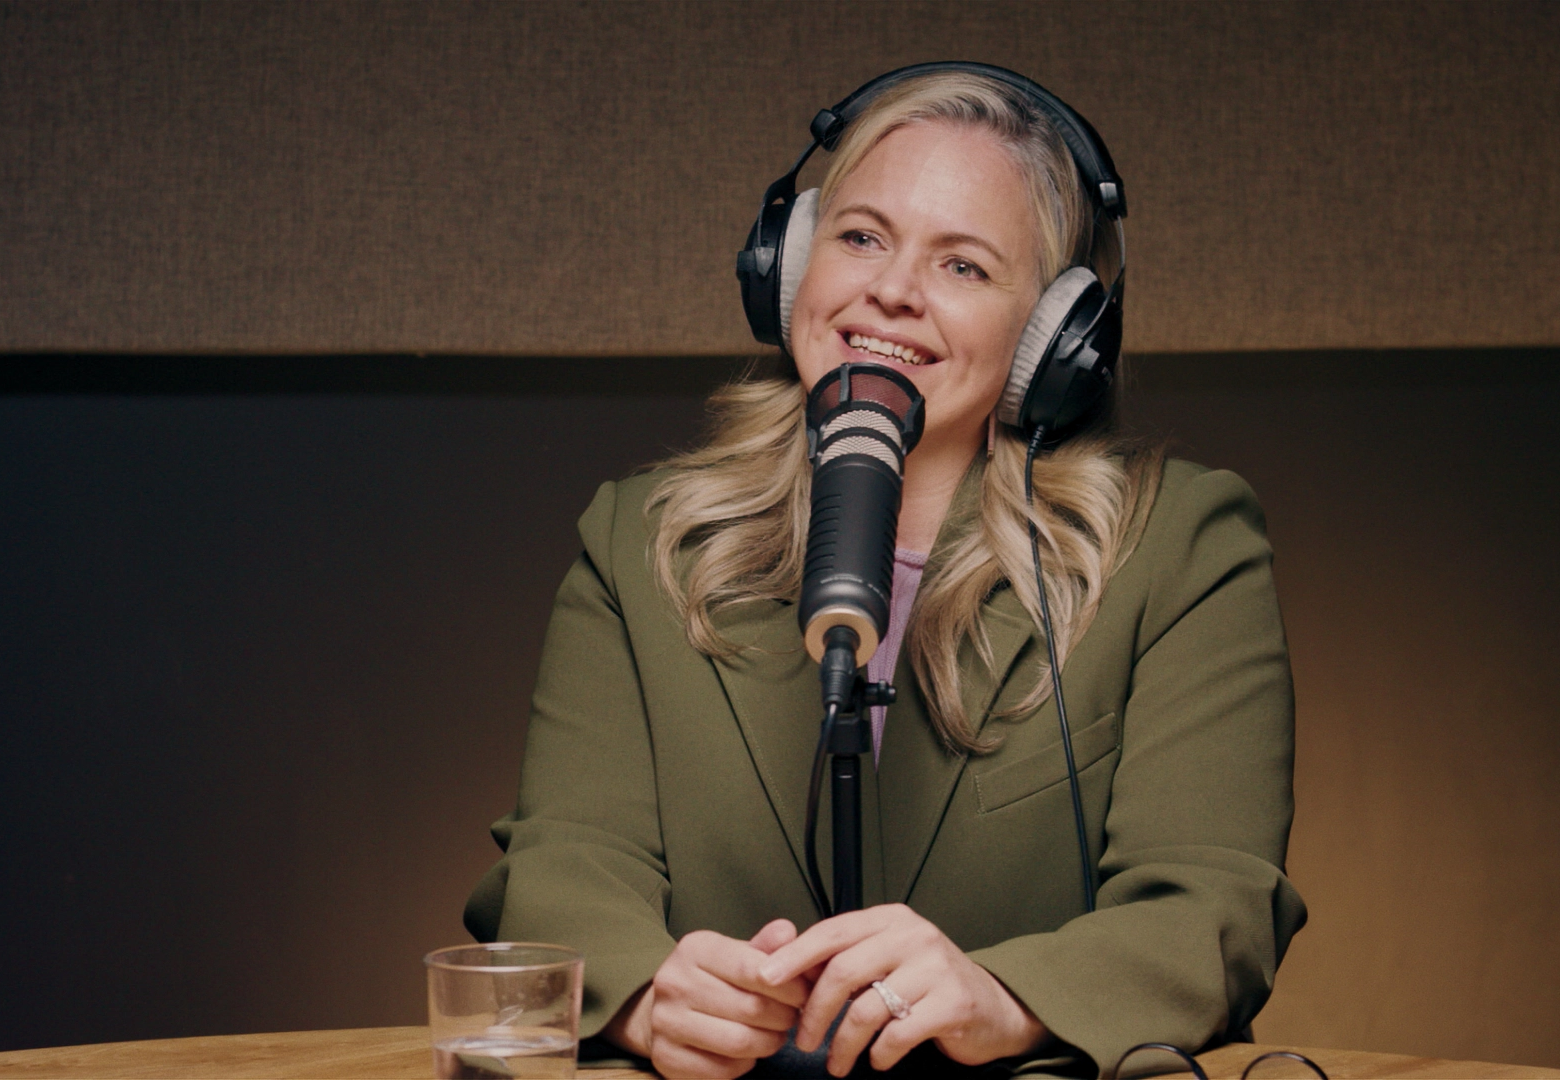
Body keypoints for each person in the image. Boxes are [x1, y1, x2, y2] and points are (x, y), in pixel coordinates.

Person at [465, 66, 1305, 1079]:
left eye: (963, 265)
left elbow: (1213, 902)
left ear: (1055, 335)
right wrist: (648, 994)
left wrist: (1003, 998)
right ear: (790, 265)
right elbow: (562, 864)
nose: (893, 291)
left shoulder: (1180, 546)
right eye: (861, 237)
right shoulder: (640, 540)